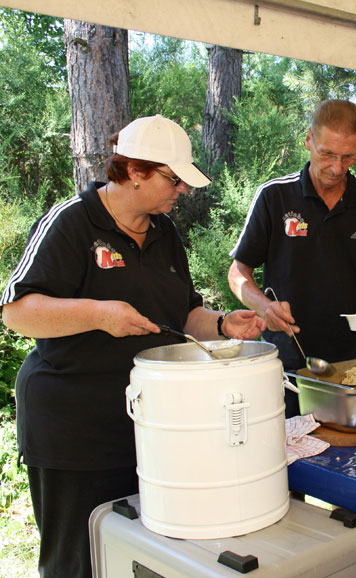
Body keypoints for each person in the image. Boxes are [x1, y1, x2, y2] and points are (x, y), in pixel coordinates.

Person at [0, 114, 266, 578]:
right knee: (77, 562)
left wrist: (224, 324)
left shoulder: (165, 234)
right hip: (73, 431)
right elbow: (16, 311)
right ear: (135, 170)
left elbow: (182, 318)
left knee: (141, 558)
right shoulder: (72, 223)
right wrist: (100, 314)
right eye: (173, 178)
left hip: (152, 427)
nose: (182, 190)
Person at [227, 100, 356, 414]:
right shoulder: (275, 196)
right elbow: (238, 272)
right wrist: (265, 307)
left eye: (348, 157)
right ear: (309, 141)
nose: (337, 168)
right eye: (327, 154)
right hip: (288, 359)